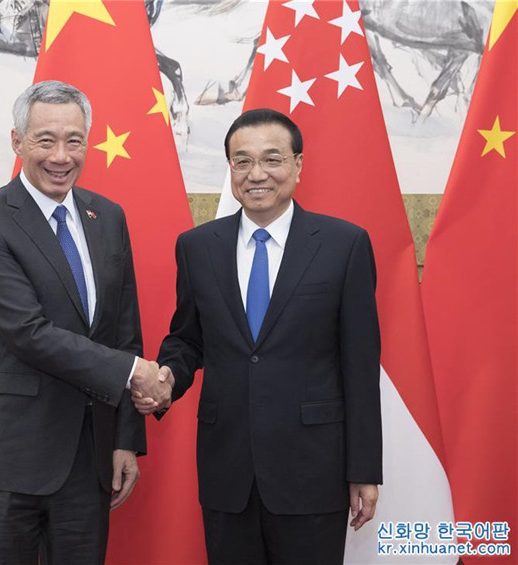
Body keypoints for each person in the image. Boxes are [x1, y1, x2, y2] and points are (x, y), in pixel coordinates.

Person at [135, 108, 382, 564]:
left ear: (298, 165)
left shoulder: (344, 245)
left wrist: (364, 468)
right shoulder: (197, 246)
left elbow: (361, 366)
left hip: (313, 471)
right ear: (230, 168)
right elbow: (188, 337)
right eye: (242, 161)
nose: (257, 174)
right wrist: (168, 375)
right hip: (228, 469)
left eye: (272, 159)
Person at [0, 80, 170, 565]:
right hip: (6, 462)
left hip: (87, 462)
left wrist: (126, 440)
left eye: (74, 140)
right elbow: (28, 333)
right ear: (17, 142)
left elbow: (123, 329)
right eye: (45, 140)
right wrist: (136, 371)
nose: (61, 155)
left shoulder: (107, 216)